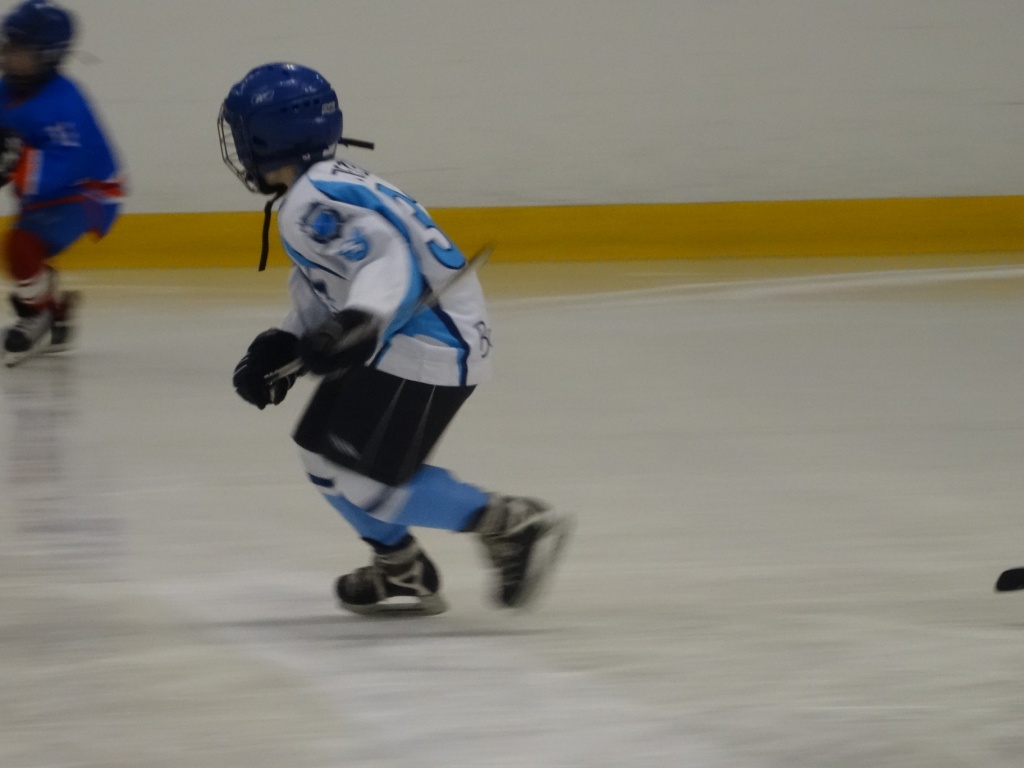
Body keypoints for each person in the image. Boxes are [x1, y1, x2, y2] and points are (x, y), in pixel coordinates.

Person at [218, 62, 572, 616]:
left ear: (266, 137)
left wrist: (360, 320)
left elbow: (387, 259)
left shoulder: (312, 200)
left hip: (429, 346)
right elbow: (329, 281)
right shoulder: (319, 189)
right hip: (401, 336)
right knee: (318, 454)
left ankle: (511, 523)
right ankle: (400, 567)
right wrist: (285, 342)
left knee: (364, 481)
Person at [0, 0, 124, 367]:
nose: (9, 56)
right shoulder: (6, 90)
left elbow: (69, 161)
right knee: (21, 253)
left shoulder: (66, 102)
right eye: (7, 46)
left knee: (22, 246)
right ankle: (56, 316)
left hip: (89, 193)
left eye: (20, 50)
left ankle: (37, 315)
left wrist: (16, 161)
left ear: (48, 56)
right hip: (48, 194)